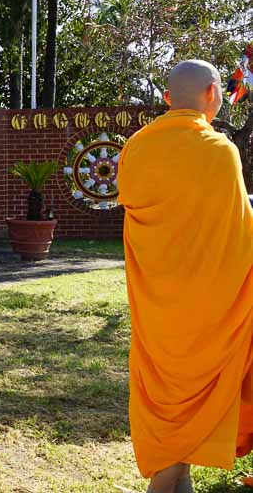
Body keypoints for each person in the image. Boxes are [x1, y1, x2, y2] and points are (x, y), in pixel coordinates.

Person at [117, 59, 253, 493]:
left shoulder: (136, 147)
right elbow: (240, 231)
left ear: (167, 98)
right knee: (195, 397)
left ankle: (178, 477)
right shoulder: (219, 151)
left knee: (168, 393)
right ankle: (166, 478)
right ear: (213, 93)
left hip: (156, 304)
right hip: (209, 307)